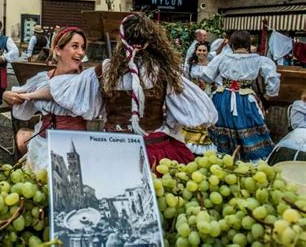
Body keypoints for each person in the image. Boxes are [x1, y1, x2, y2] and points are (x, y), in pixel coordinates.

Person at [41, 14, 217, 168]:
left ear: (122, 41)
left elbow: (64, 90)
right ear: (151, 42)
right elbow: (198, 111)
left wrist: (28, 94)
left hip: (113, 148)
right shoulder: (163, 72)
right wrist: (168, 122)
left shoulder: (105, 69)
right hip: (155, 149)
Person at [3, 27, 93, 170]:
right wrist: (6, 95)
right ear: (58, 50)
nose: (81, 52)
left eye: (83, 48)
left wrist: (28, 95)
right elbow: (19, 97)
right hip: (42, 144)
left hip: (72, 148)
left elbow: (55, 92)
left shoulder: (84, 81)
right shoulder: (43, 79)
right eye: (75, 46)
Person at [201, 30, 281, 162]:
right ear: (249, 44)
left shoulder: (222, 58)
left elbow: (207, 77)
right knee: (250, 127)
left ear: (231, 44)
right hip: (245, 99)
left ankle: (225, 160)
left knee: (223, 128)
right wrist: (267, 96)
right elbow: (273, 79)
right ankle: (250, 163)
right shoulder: (258, 59)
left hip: (222, 98)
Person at [182, 41, 218, 154]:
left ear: (208, 52)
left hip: (207, 96)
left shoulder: (212, 65)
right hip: (193, 96)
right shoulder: (190, 64)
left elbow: (215, 81)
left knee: (205, 119)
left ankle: (202, 143)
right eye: (199, 50)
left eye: (204, 50)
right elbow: (186, 79)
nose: (201, 52)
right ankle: (190, 142)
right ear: (196, 51)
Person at [267, 90, 306, 165]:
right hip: (292, 144)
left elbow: (296, 124)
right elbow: (297, 124)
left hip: (291, 143)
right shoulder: (299, 105)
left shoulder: (298, 105)